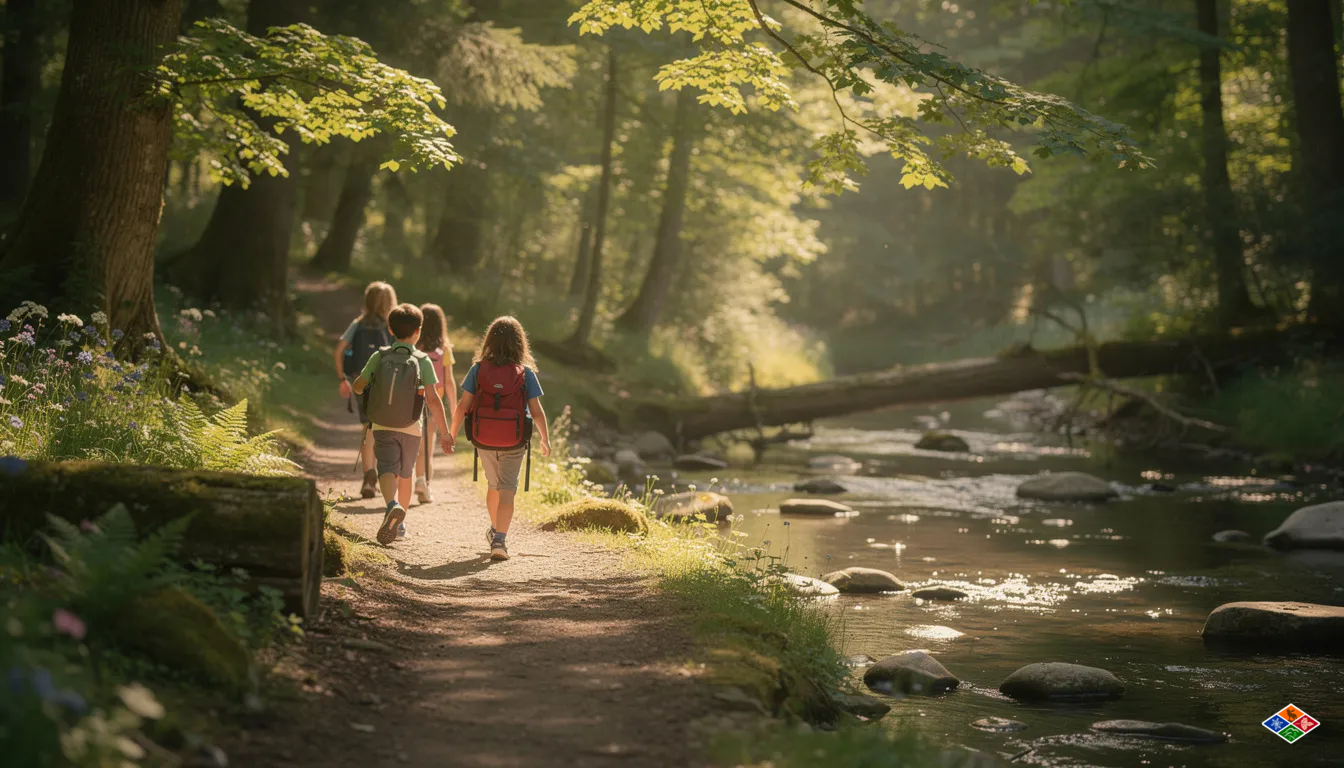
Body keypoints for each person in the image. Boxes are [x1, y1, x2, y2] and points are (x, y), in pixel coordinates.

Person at [449, 316, 550, 561]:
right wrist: (545, 439)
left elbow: (463, 407)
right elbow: (536, 411)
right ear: (520, 344)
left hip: (483, 439)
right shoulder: (525, 374)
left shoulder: (478, 370)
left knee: (493, 486)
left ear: (489, 341)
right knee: (507, 490)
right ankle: (500, 539)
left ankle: (495, 530)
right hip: (515, 441)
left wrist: (451, 434)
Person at [352, 304, 453, 546]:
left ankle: (391, 505)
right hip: (411, 427)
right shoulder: (422, 360)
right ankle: (401, 523)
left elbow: (358, 385)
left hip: (382, 424)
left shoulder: (380, 356)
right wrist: (446, 431)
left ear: (390, 329)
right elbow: (433, 399)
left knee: (387, 468)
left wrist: (364, 384)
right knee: (406, 474)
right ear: (418, 331)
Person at [333, 281, 396, 499]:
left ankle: (369, 476)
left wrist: (343, 379)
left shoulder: (357, 324)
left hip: (360, 380)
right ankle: (378, 475)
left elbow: (339, 350)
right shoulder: (391, 325)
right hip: (386, 383)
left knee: (367, 428)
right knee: (379, 429)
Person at [413, 303, 457, 504]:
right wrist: (454, 408)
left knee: (416, 445)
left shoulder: (414, 348)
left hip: (413, 400)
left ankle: (419, 478)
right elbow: (449, 382)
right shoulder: (444, 350)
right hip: (433, 402)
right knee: (428, 447)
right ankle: (425, 484)